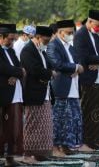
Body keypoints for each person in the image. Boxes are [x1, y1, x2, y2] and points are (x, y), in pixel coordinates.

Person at [46, 20, 91, 157]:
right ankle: (54, 147)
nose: (71, 35)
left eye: (72, 32)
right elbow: (57, 64)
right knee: (59, 119)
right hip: (61, 88)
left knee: (72, 119)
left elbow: (78, 62)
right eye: (69, 33)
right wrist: (75, 68)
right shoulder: (53, 46)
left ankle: (66, 146)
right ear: (60, 33)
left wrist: (77, 67)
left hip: (73, 87)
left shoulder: (70, 46)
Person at [73, 10, 99, 149]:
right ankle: (87, 141)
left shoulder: (95, 35)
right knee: (89, 111)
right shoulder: (80, 35)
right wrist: (96, 60)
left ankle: (96, 139)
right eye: (97, 24)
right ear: (90, 21)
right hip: (87, 78)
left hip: (98, 77)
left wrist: (97, 61)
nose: (98, 27)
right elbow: (82, 57)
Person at [20, 26, 55, 163]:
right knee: (32, 125)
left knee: (44, 126)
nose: (48, 42)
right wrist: (49, 74)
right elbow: (34, 70)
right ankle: (28, 155)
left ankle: (40, 153)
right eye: (46, 39)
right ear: (39, 37)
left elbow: (49, 66)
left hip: (44, 93)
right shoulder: (28, 50)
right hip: (33, 93)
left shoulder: (41, 50)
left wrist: (47, 74)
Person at [0, 26, 25, 166]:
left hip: (15, 94)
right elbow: (3, 67)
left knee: (13, 127)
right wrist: (17, 72)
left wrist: (16, 75)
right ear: (2, 37)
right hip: (3, 94)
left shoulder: (11, 50)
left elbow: (20, 68)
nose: (12, 42)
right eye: (10, 39)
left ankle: (10, 158)